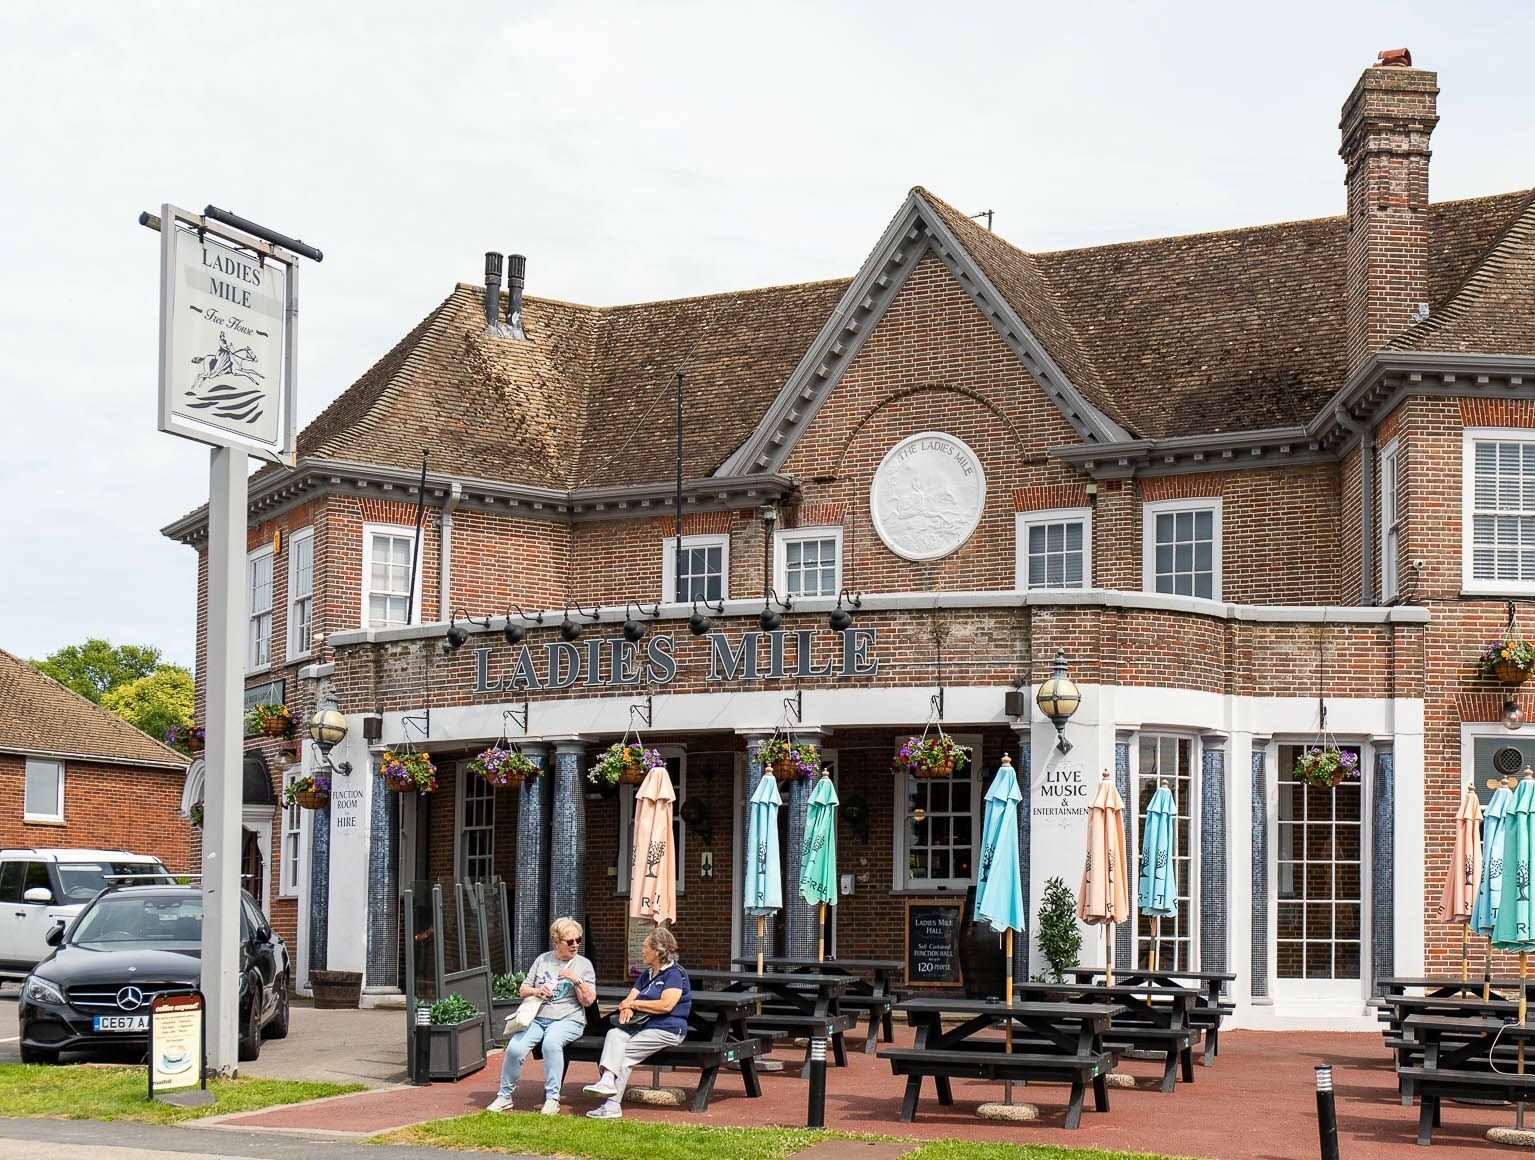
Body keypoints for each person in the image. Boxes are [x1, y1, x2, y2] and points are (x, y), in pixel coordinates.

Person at [487, 917, 596, 1115]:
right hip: (537, 1018)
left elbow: (588, 1001)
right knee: (515, 1049)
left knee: (551, 1043)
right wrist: (537, 991)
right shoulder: (543, 960)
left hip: (568, 1020)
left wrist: (576, 979)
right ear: (557, 942)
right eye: (569, 941)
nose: (575, 945)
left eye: (578, 940)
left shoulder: (584, 965)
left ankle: (552, 1098)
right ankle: (504, 1096)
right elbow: (522, 990)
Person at [582, 925, 692, 1119]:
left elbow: (666, 1005)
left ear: (658, 951)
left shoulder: (675, 973)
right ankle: (607, 1080)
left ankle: (612, 1105)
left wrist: (634, 1004)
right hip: (642, 1027)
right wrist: (626, 1006)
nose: (642, 950)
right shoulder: (646, 974)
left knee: (621, 1057)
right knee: (614, 1033)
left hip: (668, 1029)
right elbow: (628, 999)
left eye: (645, 947)